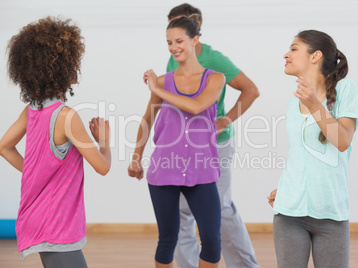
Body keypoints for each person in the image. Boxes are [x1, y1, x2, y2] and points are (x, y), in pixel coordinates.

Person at [0, 17, 111, 268]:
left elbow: (3, 146)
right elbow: (103, 167)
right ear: (58, 67)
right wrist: (104, 142)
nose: (76, 67)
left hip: (36, 219)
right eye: (72, 61)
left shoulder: (32, 110)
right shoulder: (66, 116)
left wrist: (35, 172)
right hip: (56, 225)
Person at [166, 4, 260, 268]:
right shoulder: (173, 58)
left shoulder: (214, 58)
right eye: (170, 33)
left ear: (195, 32)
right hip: (183, 149)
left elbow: (250, 90)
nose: (174, 40)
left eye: (180, 30)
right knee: (182, 213)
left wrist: (223, 121)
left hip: (215, 147)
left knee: (220, 210)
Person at [129, 16, 225, 268]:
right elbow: (146, 121)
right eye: (169, 42)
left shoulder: (215, 79)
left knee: (212, 240)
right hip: (163, 168)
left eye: (179, 40)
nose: (174, 47)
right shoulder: (162, 81)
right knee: (167, 238)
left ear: (195, 40)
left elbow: (196, 106)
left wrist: (156, 89)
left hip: (202, 169)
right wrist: (136, 158)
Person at [267, 30, 358, 268]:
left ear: (315, 55)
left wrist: (314, 103)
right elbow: (300, 154)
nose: (285, 54)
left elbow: (342, 141)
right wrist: (289, 187)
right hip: (290, 213)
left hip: (332, 213)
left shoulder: (345, 90)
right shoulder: (294, 100)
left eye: (294, 49)